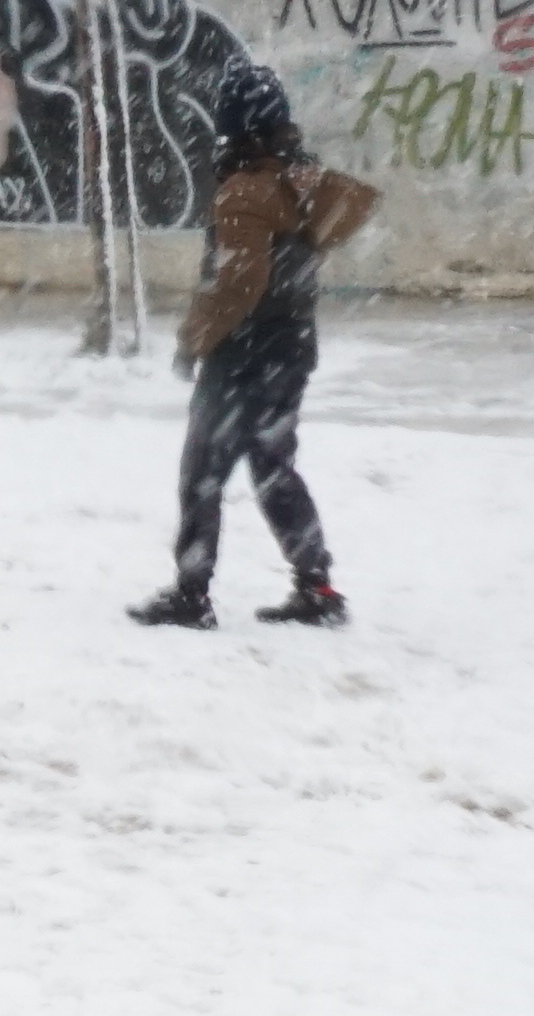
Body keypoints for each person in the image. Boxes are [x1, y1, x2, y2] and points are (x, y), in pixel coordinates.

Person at [133, 54, 376, 633]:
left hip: (243, 355)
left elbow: (237, 281)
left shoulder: (244, 191)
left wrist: (194, 339)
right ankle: (316, 584)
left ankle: (192, 594)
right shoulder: (301, 182)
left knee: (202, 471)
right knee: (274, 468)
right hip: (290, 348)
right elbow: (331, 225)